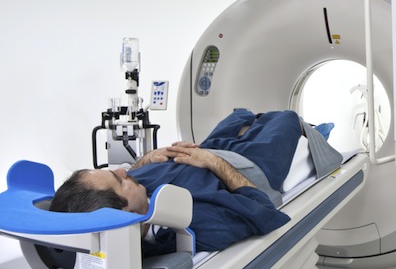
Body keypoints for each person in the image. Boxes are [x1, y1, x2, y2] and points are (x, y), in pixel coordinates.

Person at [50, 109, 305, 256]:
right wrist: (213, 162)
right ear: (127, 214)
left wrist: (148, 158)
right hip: (244, 163)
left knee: (239, 115)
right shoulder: (190, 227)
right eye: (119, 180)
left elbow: (131, 175)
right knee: (286, 118)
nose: (123, 171)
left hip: (202, 151)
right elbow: (261, 208)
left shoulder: (134, 194)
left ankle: (247, 124)